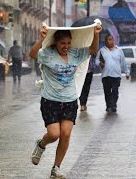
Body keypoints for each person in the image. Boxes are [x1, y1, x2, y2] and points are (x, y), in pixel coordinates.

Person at [29, 23, 102, 178]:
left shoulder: (75, 54)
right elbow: (32, 54)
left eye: (68, 43)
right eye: (63, 43)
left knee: (66, 134)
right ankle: (41, 144)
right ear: (56, 42)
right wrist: (41, 38)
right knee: (54, 134)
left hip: (70, 101)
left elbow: (93, 50)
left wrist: (96, 34)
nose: (66, 46)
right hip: (50, 101)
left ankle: (56, 168)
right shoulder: (47, 54)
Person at [96, 34, 130, 113]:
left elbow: (123, 62)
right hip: (106, 75)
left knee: (115, 91)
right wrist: (100, 63)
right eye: (108, 40)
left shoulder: (119, 50)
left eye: (111, 39)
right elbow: (96, 60)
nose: (109, 41)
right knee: (107, 92)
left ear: (113, 40)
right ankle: (108, 106)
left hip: (116, 75)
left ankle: (113, 105)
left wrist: (127, 72)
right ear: (105, 41)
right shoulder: (101, 50)